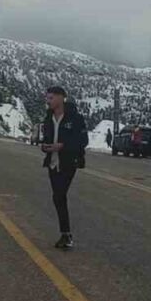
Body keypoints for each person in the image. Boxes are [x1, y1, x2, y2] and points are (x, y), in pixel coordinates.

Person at [41, 86, 89, 250]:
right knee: (57, 197)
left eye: (51, 98)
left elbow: (83, 141)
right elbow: (46, 137)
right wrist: (46, 146)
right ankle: (65, 234)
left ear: (61, 98)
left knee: (60, 195)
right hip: (53, 162)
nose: (48, 101)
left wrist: (62, 146)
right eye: (47, 98)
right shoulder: (48, 117)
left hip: (69, 162)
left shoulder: (75, 118)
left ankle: (66, 234)